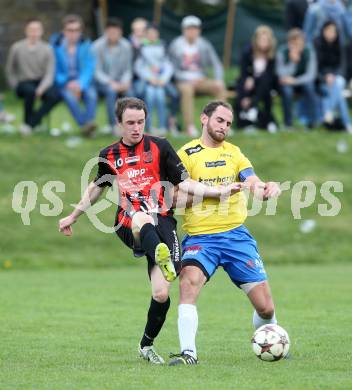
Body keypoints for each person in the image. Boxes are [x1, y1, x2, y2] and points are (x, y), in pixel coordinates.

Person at [58, 97, 240, 364]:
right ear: (119, 123)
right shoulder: (108, 155)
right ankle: (156, 252)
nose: (136, 128)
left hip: (163, 222)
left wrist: (218, 192)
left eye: (141, 122)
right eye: (130, 123)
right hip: (127, 220)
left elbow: (186, 184)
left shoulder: (160, 146)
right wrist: (73, 215)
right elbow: (98, 186)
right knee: (140, 217)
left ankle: (146, 344)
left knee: (161, 294)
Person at [168, 100, 282, 365]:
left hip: (235, 236)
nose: (224, 127)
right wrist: (212, 195)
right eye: (220, 120)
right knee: (188, 283)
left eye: (229, 123)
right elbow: (170, 198)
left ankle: (271, 341)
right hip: (200, 238)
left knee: (266, 307)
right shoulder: (186, 154)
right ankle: (188, 354)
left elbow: (251, 180)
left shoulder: (234, 153)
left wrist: (265, 189)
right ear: (204, 119)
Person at [169, 15, 227, 137]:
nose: (192, 31)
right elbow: (171, 68)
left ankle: (219, 125)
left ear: (199, 30)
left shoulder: (204, 44)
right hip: (182, 81)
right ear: (184, 30)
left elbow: (217, 64)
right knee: (187, 90)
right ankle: (189, 126)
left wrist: (218, 79)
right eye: (189, 28)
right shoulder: (176, 45)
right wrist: (188, 79)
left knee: (219, 88)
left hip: (201, 79)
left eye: (195, 28)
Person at [5, 18, 60, 135]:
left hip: (41, 82)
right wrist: (14, 85)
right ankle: (28, 123)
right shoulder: (17, 47)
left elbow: (50, 73)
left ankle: (30, 123)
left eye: (37, 30)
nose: (34, 32)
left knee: (55, 95)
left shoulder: (48, 49)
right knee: (30, 91)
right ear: (26, 31)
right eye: (31, 29)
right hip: (24, 82)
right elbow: (10, 70)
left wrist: (42, 88)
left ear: (41, 31)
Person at [51, 14, 97, 136]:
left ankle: (89, 124)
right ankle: (85, 125)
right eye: (70, 30)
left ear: (81, 31)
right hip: (64, 83)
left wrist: (80, 84)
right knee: (70, 98)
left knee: (91, 95)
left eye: (77, 30)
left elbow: (89, 67)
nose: (73, 33)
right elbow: (54, 69)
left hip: (82, 81)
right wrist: (66, 83)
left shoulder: (86, 44)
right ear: (64, 31)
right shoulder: (55, 45)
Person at [134, 23, 176, 136]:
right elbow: (138, 67)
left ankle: (163, 126)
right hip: (148, 81)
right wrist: (149, 78)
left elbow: (168, 65)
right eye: (149, 33)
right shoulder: (141, 46)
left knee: (161, 96)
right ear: (146, 34)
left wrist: (164, 79)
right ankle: (149, 126)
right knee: (150, 95)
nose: (152, 35)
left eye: (154, 33)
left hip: (161, 81)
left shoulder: (163, 45)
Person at [93, 18, 133, 134]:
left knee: (130, 94)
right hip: (103, 82)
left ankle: (131, 125)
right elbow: (97, 71)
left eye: (116, 32)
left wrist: (125, 82)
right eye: (110, 32)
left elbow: (128, 68)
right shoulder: (97, 46)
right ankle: (113, 125)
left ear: (120, 32)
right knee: (111, 92)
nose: (113, 35)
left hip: (121, 81)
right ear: (106, 32)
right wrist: (111, 82)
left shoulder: (126, 45)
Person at [234, 25, 278, 132]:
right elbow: (243, 72)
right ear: (256, 40)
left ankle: (253, 108)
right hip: (250, 83)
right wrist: (250, 78)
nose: (263, 42)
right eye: (261, 39)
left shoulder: (272, 55)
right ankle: (243, 121)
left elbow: (270, 75)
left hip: (265, 85)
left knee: (265, 84)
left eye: (266, 40)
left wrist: (254, 79)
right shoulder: (247, 52)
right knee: (242, 86)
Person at [276, 28, 319, 129]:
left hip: (301, 81)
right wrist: (292, 62)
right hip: (287, 83)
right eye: (293, 43)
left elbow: (310, 75)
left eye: (299, 42)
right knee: (287, 92)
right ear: (289, 43)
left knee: (310, 88)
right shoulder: (282, 52)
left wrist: (294, 81)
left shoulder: (309, 52)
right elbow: (280, 73)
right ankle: (288, 124)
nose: (296, 46)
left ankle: (311, 123)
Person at [314, 20, 352, 133]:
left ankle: (327, 112)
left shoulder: (339, 44)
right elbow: (315, 67)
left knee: (338, 84)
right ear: (323, 31)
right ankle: (347, 123)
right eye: (329, 31)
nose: (331, 34)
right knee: (338, 93)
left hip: (336, 78)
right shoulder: (317, 44)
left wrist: (334, 76)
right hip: (321, 80)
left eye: (333, 31)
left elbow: (342, 65)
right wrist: (326, 76)